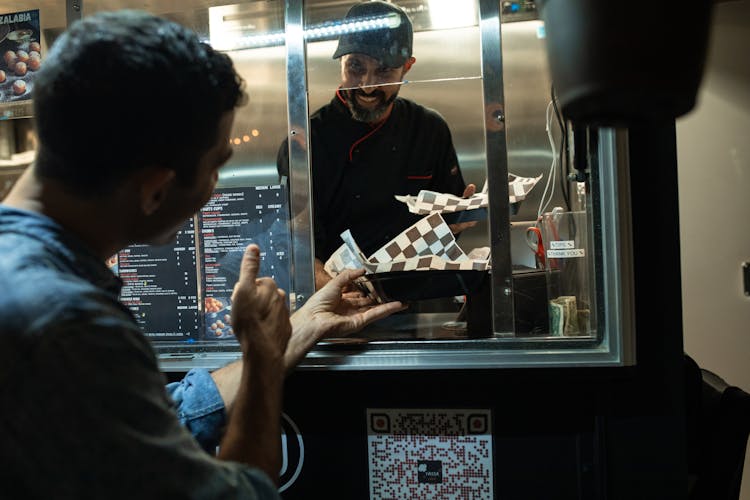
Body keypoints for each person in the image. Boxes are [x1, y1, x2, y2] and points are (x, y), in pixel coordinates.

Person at [0, 10, 403, 499]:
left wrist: (299, 329)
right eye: (216, 167)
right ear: (154, 190)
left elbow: (161, 419)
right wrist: (259, 361)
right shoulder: (69, 324)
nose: (214, 189)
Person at [278, 1, 477, 290]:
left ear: (407, 67)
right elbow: (297, 242)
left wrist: (454, 223)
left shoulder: (429, 130)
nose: (367, 86)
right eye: (356, 67)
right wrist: (333, 293)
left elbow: (442, 228)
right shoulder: (305, 143)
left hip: (412, 301)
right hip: (335, 300)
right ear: (341, 62)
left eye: (383, 71)